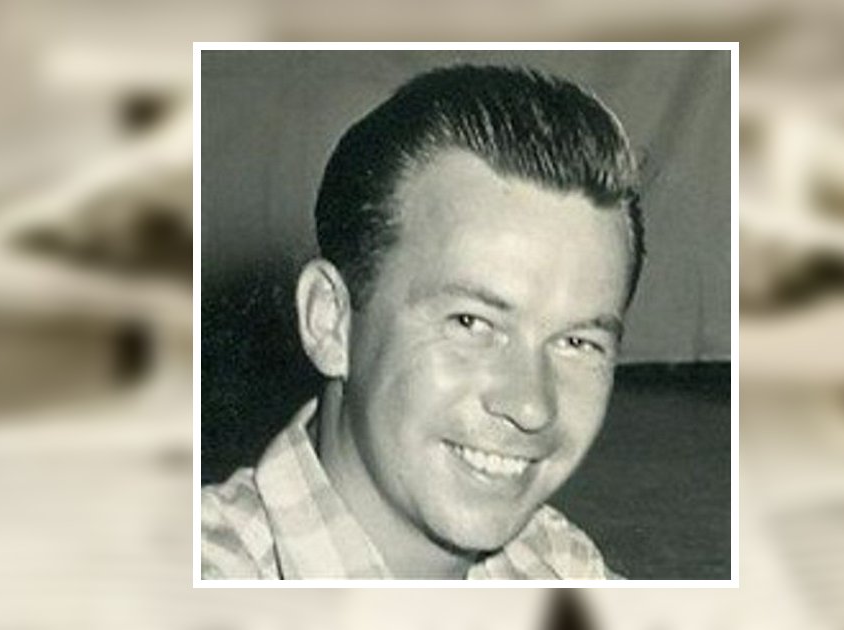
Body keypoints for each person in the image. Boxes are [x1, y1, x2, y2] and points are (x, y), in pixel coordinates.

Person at [201, 64, 645, 579]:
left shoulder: (556, 561)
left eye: (577, 342)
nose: (531, 406)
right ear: (330, 322)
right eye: (471, 322)